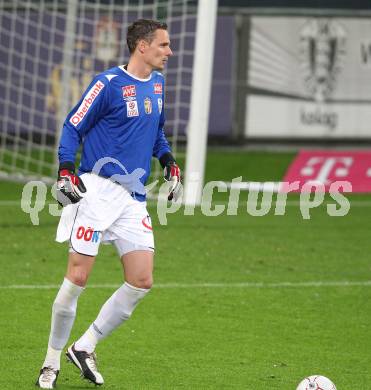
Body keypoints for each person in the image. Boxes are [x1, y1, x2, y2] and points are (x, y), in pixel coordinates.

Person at [36, 19, 181, 389]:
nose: (169, 51)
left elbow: (157, 133)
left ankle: (84, 346)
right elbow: (73, 125)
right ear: (142, 47)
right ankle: (50, 362)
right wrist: (66, 171)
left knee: (141, 280)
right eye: (163, 45)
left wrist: (168, 162)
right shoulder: (107, 84)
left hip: (133, 198)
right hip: (97, 192)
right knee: (78, 279)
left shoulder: (159, 85)